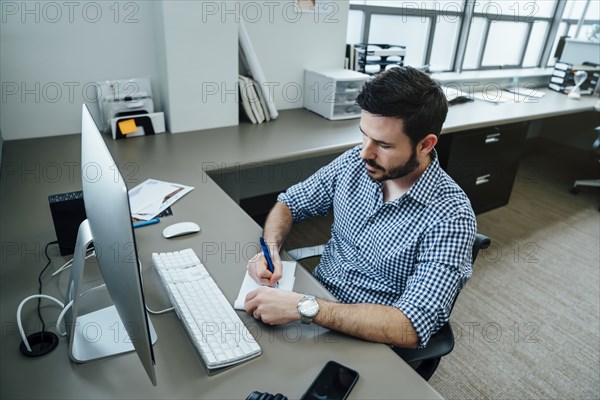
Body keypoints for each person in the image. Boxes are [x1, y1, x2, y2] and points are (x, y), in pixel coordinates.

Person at [244, 66, 476, 349]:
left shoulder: (452, 216)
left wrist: (307, 307)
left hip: (370, 336)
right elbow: (290, 203)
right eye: (364, 135)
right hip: (314, 302)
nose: (365, 151)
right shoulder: (356, 161)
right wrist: (270, 250)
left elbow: (411, 326)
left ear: (425, 144)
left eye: (383, 144)